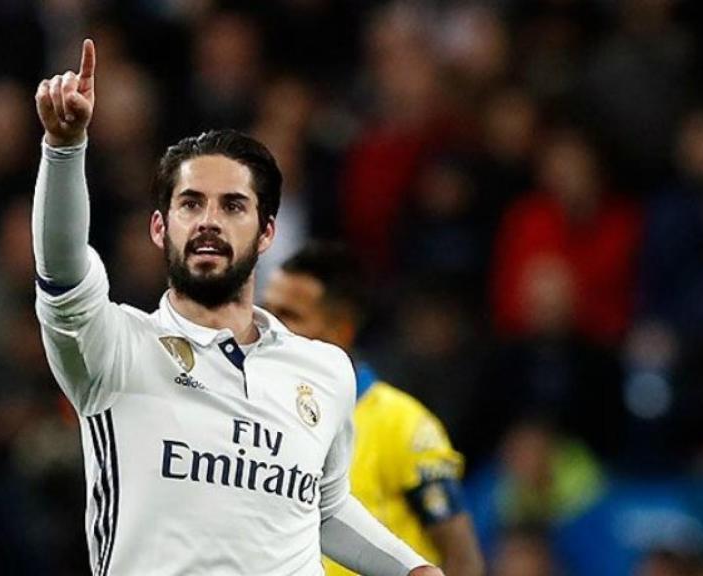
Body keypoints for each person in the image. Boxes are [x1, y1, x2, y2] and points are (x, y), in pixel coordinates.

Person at [31, 39, 443, 576]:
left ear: (266, 232)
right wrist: (64, 149)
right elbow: (61, 270)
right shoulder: (113, 350)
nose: (209, 220)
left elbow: (324, 508)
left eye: (233, 206)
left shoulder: (324, 370)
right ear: (160, 227)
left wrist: (414, 570)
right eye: (190, 203)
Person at [263, 242, 485, 576]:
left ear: (341, 330)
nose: (270, 328)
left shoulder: (403, 424)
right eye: (266, 311)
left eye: (290, 316)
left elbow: (463, 558)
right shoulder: (256, 414)